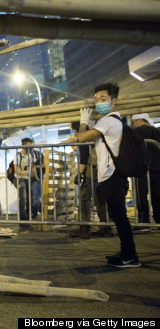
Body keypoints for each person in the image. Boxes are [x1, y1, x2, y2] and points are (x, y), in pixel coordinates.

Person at [75, 83, 140, 268]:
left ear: (114, 101)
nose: (98, 103)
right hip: (114, 175)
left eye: (103, 99)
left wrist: (83, 121)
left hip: (112, 176)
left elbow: (81, 138)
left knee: (119, 217)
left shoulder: (108, 121)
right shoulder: (116, 121)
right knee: (118, 216)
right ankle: (126, 252)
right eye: (96, 100)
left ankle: (130, 256)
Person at [68, 122, 111, 239]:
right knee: (100, 199)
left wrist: (79, 173)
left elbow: (84, 156)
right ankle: (106, 228)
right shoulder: (96, 134)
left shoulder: (83, 136)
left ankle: (84, 228)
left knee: (84, 198)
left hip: (91, 170)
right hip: (102, 169)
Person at [131, 113, 160, 228]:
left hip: (142, 168)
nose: (134, 125)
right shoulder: (157, 131)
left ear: (139, 120)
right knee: (157, 195)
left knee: (141, 195)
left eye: (134, 122)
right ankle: (158, 221)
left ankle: (144, 221)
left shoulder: (136, 132)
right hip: (157, 168)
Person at [14, 138, 42, 227]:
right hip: (20, 178)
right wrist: (26, 173)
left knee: (31, 198)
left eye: (31, 145)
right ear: (23, 146)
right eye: (28, 146)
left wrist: (37, 178)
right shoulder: (18, 155)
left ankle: (29, 217)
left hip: (29, 178)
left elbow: (33, 167)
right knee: (23, 198)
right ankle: (22, 219)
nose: (30, 147)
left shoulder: (32, 155)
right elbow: (16, 170)